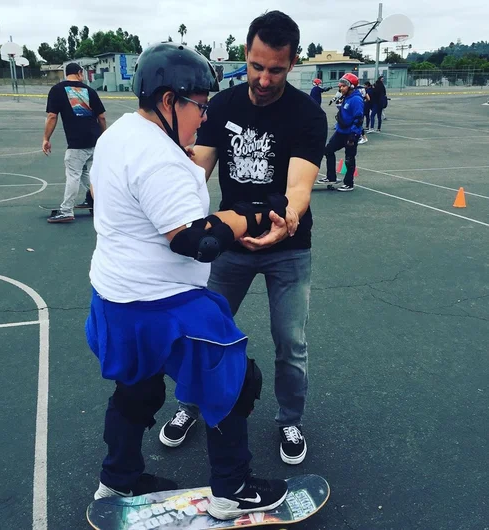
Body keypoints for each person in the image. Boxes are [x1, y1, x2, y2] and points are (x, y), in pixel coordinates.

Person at [85, 42, 289, 521]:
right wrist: (253, 214)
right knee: (237, 382)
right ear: (168, 100)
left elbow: (100, 199)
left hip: (115, 297)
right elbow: (195, 241)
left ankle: (116, 480)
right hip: (165, 305)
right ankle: (232, 490)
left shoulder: (118, 134)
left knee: (137, 390)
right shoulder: (161, 157)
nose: (204, 118)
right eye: (200, 106)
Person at [159, 11, 328, 466]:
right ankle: (188, 407)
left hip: (288, 249)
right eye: (256, 66)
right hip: (229, 246)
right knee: (203, 331)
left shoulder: (308, 116)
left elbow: (299, 189)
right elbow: (198, 171)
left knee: (290, 341)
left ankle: (289, 419)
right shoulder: (224, 106)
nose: (264, 78)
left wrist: (285, 220)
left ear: (292, 63)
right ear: (246, 56)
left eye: (275, 68)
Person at [42, 62, 107, 223]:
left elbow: (52, 116)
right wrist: (104, 137)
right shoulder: (90, 91)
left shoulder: (57, 90)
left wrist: (46, 139)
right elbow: (102, 117)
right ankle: (100, 202)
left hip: (77, 142)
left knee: (73, 175)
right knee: (86, 173)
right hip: (95, 141)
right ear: (79, 73)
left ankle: (66, 210)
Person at [318, 72, 364, 192]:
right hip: (341, 132)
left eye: (343, 86)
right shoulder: (346, 97)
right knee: (328, 150)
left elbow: (358, 118)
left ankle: (349, 183)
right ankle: (331, 177)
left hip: (350, 134)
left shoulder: (356, 100)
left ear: (351, 86)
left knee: (349, 159)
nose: (341, 88)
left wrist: (353, 135)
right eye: (340, 86)